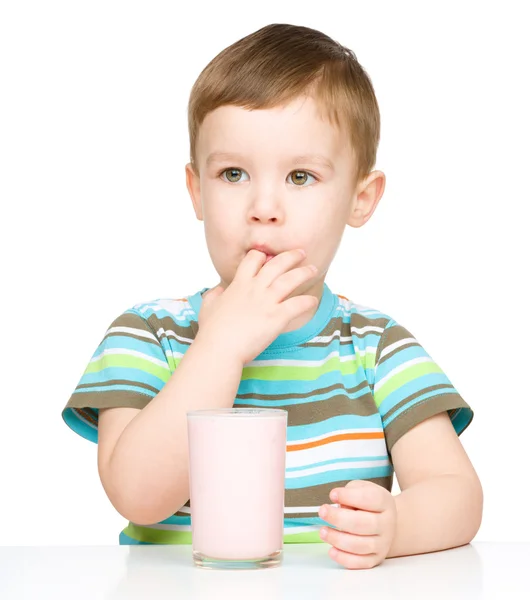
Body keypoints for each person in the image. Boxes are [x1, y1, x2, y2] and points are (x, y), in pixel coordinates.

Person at [62, 23, 483, 569]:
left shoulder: (376, 346)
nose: (264, 206)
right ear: (197, 191)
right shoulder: (147, 336)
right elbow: (139, 496)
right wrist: (220, 346)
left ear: (360, 200)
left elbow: (458, 494)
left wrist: (398, 525)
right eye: (233, 173)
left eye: (301, 177)